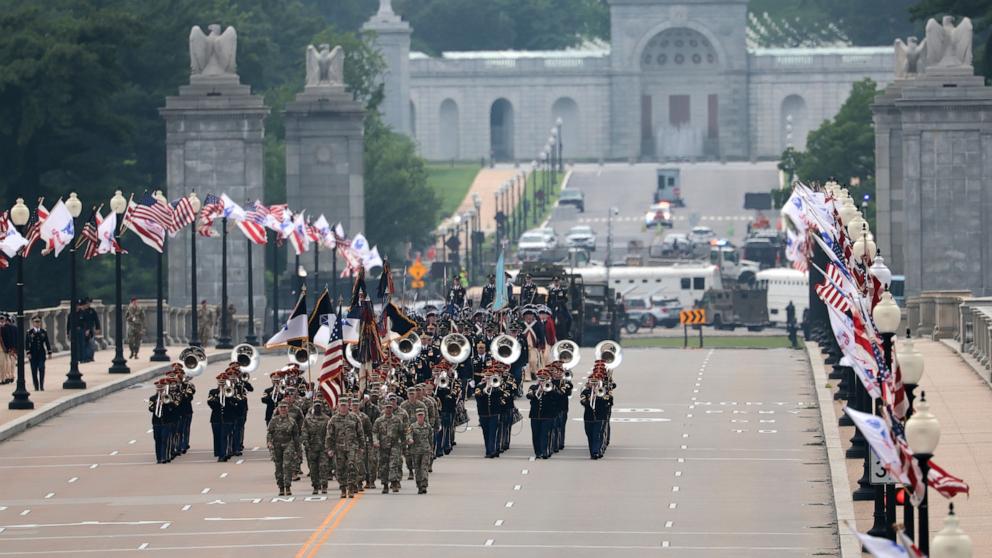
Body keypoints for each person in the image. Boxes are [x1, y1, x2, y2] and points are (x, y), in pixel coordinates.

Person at [325, 397, 365, 498]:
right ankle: (343, 488)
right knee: (340, 469)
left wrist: (361, 446)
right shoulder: (333, 419)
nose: (343, 408)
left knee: (352, 466)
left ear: (348, 406)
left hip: (352, 447)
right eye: (341, 405)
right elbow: (329, 435)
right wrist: (329, 449)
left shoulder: (354, 418)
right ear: (338, 406)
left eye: (345, 405)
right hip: (339, 448)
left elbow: (360, 433)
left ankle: (351, 488)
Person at [373, 397, 407, 493]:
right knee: (384, 466)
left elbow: (402, 432)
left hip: (394, 445)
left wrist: (404, 444)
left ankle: (394, 482)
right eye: (387, 407)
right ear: (384, 408)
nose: (388, 409)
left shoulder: (397, 420)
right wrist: (375, 441)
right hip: (383, 447)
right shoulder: (379, 421)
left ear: (392, 408)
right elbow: (374, 432)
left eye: (390, 407)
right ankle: (385, 485)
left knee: (394, 464)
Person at [267, 401, 300, 496]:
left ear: (287, 409)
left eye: (285, 407)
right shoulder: (274, 420)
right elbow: (269, 433)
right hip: (276, 445)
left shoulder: (292, 421)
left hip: (288, 444)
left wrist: (298, 450)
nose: (283, 409)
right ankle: (281, 487)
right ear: (278, 409)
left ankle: (288, 486)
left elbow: (296, 436)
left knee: (287, 466)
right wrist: (269, 442)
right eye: (281, 407)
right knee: (278, 467)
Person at [303, 401, 331, 495]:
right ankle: (315, 486)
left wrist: (329, 445)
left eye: (319, 406)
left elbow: (330, 433)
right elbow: (304, 431)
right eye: (316, 406)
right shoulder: (308, 419)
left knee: (323, 467)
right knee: (313, 469)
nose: (318, 408)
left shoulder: (327, 419)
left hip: (323, 447)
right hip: (312, 447)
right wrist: (306, 443)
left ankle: (324, 486)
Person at [407, 408, 433, 494]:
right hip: (415, 451)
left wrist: (431, 449)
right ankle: (419, 485)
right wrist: (410, 439)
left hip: (425, 450)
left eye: (422, 415)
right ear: (416, 416)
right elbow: (408, 435)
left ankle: (424, 485)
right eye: (419, 415)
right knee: (417, 469)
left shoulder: (428, 426)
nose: (420, 417)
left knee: (424, 468)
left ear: (424, 416)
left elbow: (431, 439)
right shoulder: (412, 426)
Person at [25, 315, 52, 391]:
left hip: (41, 353)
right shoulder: (29, 332)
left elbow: (47, 342)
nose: (37, 323)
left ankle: (41, 385)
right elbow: (27, 343)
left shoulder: (43, 331)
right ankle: (36, 386)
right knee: (34, 370)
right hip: (33, 354)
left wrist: (49, 352)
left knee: (41, 368)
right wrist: (28, 353)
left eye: (38, 322)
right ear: (33, 323)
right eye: (36, 322)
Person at [0, 314, 14, 384]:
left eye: (2, 319)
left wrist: (9, 348)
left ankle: (4, 378)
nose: (1, 320)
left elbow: (8, 338)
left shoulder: (6, 328)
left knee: (4, 364)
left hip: (3, 349)